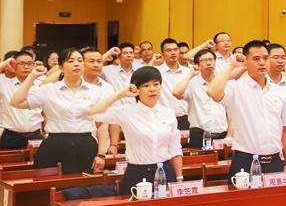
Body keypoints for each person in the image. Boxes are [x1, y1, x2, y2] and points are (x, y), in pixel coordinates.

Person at [11, 48, 113, 173]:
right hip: (55, 144)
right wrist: (32, 76)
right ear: (61, 66)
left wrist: (101, 154)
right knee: (47, 182)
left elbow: (101, 124)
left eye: (79, 60)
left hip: (85, 144)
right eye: (71, 61)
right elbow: (16, 102)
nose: (76, 64)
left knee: (83, 183)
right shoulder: (49, 90)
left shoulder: (95, 91)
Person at [88, 66, 184, 195]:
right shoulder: (127, 112)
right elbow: (93, 113)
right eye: (146, 85)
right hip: (137, 172)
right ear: (136, 89)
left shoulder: (168, 113)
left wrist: (179, 178)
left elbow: (175, 149)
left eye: (156, 84)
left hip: (164, 171)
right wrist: (121, 94)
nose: (152, 89)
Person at [208, 41, 286, 177]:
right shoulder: (236, 88)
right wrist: (231, 66)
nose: (262, 63)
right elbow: (213, 92)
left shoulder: (279, 91)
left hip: (275, 161)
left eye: (265, 58)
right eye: (256, 59)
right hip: (245, 161)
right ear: (246, 62)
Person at [0, 52, 43, 149]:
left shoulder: (41, 84)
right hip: (11, 137)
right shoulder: (4, 84)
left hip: (35, 136)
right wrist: (3, 64)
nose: (26, 66)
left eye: (29, 63)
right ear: (14, 66)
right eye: (22, 63)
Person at [173, 49, 228, 149]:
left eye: (211, 59)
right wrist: (190, 75)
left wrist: (229, 135)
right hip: (199, 135)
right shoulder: (193, 84)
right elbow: (176, 93)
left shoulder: (222, 82)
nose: (209, 62)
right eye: (205, 60)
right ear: (197, 65)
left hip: (222, 135)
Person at [155, 38, 191, 130]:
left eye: (175, 50)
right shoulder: (156, 72)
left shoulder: (188, 72)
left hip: (186, 118)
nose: (173, 53)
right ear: (162, 54)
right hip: (163, 119)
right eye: (169, 50)